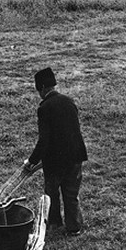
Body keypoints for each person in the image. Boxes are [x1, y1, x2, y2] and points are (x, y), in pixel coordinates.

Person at [24, 67, 88, 236]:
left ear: (43, 88)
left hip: (55, 160)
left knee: (51, 193)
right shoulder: (69, 101)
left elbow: (44, 140)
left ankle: (54, 224)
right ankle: (74, 227)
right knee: (71, 193)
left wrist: (31, 161)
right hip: (75, 155)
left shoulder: (45, 108)